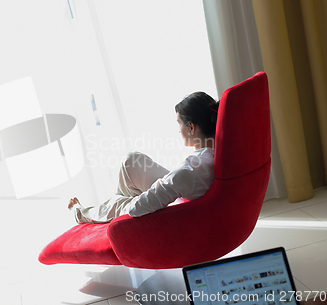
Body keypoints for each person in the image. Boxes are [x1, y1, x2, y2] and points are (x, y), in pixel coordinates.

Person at [68, 91, 219, 223]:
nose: (179, 131)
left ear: (191, 127)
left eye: (179, 124)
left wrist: (123, 204)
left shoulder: (188, 170)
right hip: (184, 191)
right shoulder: (212, 154)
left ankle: (83, 212)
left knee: (120, 203)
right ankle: (113, 201)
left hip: (177, 208)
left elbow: (135, 209)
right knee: (132, 160)